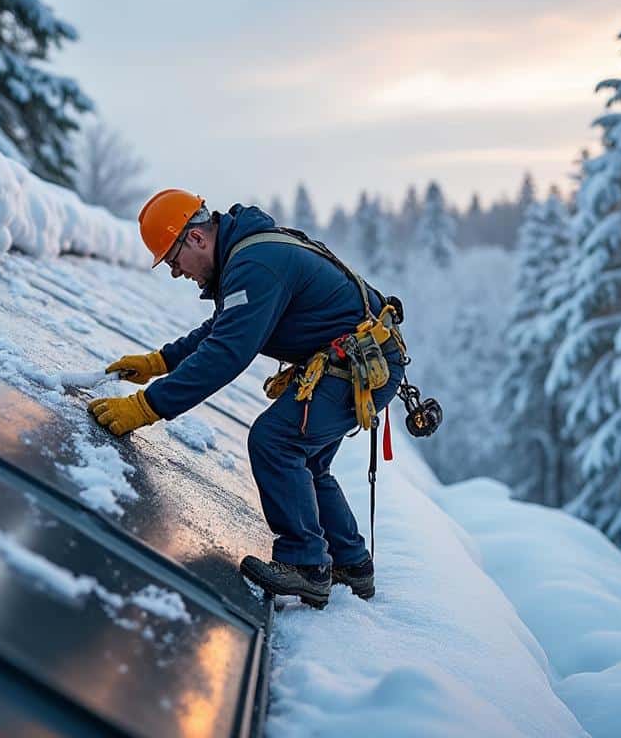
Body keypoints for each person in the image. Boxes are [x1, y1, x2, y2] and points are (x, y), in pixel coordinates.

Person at [88, 188, 404, 608]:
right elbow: (223, 327)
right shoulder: (248, 256)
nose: (177, 274)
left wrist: (147, 406)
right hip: (358, 361)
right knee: (307, 461)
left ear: (196, 238)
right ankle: (351, 564)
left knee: (276, 441)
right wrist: (159, 361)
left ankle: (306, 565)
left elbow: (226, 353)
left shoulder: (255, 265)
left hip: (360, 365)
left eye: (173, 261)